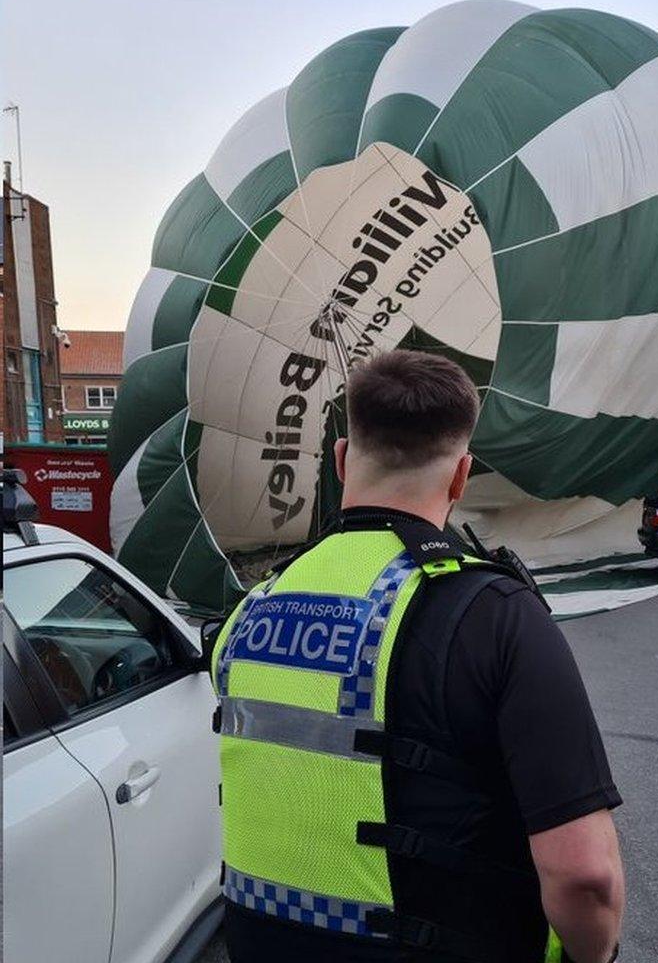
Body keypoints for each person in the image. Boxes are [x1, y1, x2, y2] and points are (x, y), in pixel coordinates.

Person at [210, 350, 624, 963]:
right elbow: (585, 875)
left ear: (342, 458)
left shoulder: (251, 610)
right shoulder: (498, 615)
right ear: (461, 475)